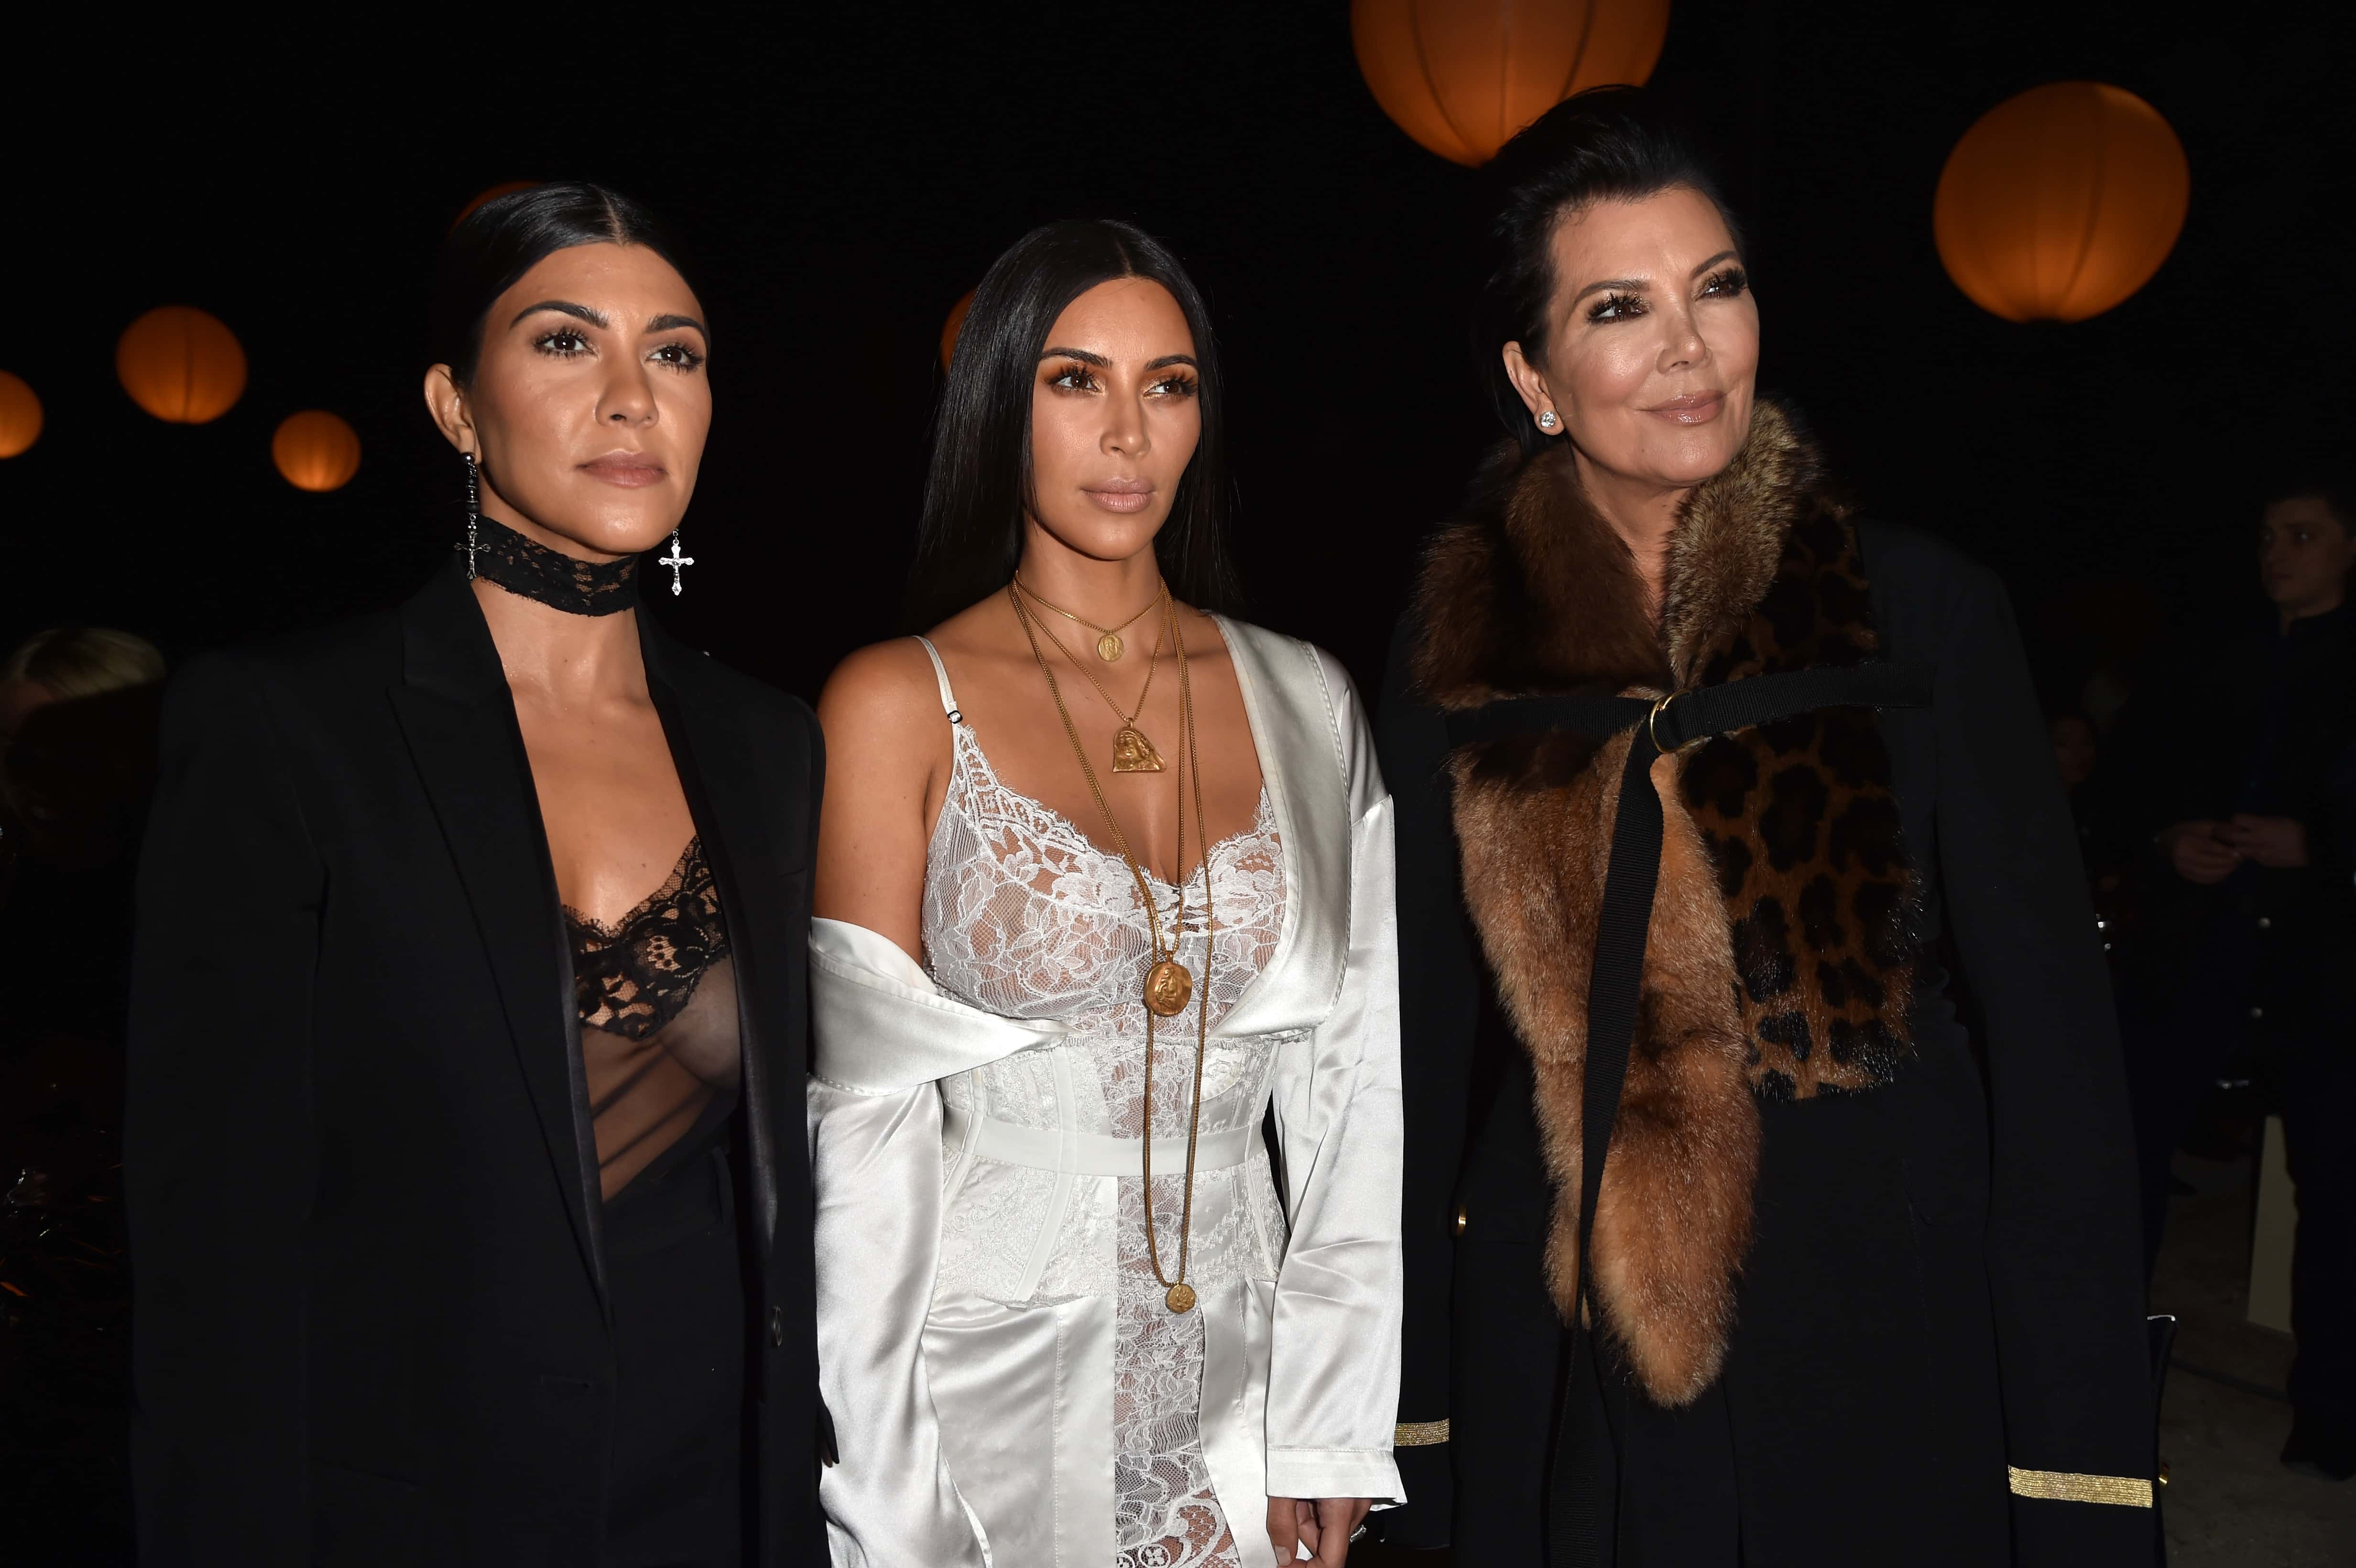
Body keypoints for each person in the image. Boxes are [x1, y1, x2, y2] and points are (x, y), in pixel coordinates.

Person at [1376, 90, 2155, 1564]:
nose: (1689, 345)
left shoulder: (1918, 610)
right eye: (1621, 305)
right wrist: (1398, 1400)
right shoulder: (1455, 648)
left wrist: (2074, 1447)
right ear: (1535, 377)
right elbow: (1402, 1055)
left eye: (1717, 287)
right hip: (1561, 1312)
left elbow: (2057, 1056)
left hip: (1877, 1310)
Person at [125, 183, 828, 1564]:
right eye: (567, 342)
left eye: (675, 353)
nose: (635, 398)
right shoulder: (289, 726)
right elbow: (216, 1268)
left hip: (719, 1512)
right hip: (410, 1519)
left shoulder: (772, 746)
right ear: (455, 406)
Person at [809, 218, 1402, 1568]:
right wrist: (887, 1509)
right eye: (1075, 381)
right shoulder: (896, 702)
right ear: (999, 405)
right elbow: (859, 1141)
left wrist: (1332, 1423)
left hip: (1250, 1399)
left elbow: (1354, 1087)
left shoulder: (1310, 701)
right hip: (980, 1397)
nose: (1127, 433)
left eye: (1169, 383)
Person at [2108, 474, 2356, 1480]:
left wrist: (2324, 845)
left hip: (2321, 966)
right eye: (2266, 535)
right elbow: (2125, 782)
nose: (2276, 553)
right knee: (2123, 1163)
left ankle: (2335, 1410)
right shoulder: (2210, 660)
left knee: (2336, 1188)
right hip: (2196, 952)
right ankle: (2097, 1377)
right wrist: (2171, 839)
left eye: (2301, 533)